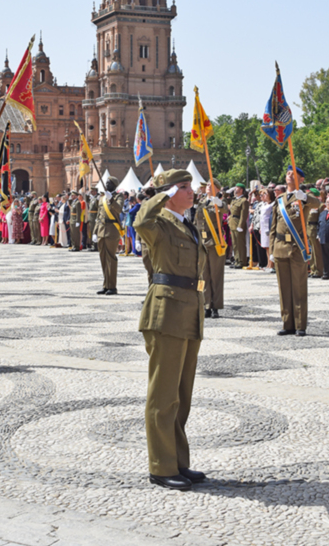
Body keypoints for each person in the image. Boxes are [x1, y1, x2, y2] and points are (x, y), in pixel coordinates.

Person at [134, 169, 207, 491]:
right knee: (163, 396)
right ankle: (161, 466)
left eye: (191, 186)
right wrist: (159, 193)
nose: (191, 191)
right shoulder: (159, 224)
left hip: (188, 311)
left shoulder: (186, 223)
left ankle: (178, 461)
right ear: (167, 193)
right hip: (165, 313)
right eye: (184, 187)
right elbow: (139, 222)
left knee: (181, 396)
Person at [269, 166, 320, 336]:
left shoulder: (303, 198)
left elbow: (317, 203)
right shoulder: (280, 199)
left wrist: (304, 197)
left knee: (298, 287)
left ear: (302, 179)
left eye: (294, 174)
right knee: (284, 288)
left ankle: (300, 325)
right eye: (288, 173)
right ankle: (287, 323)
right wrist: (271, 249)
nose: (289, 175)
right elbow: (273, 227)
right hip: (280, 246)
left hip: (297, 248)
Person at [195, 179, 227, 318]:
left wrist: (217, 201)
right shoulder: (201, 201)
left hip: (214, 242)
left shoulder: (218, 202)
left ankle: (216, 306)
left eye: (210, 185)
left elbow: (225, 208)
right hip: (201, 242)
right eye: (207, 185)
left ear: (218, 189)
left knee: (216, 276)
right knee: (203, 276)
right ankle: (206, 304)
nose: (207, 187)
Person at [94, 177, 124, 295]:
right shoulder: (101, 198)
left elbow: (119, 209)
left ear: (114, 185)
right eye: (106, 182)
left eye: (109, 183)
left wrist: (111, 199)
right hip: (101, 230)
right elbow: (98, 216)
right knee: (103, 259)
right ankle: (106, 285)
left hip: (112, 230)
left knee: (111, 258)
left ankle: (112, 286)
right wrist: (95, 232)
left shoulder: (118, 196)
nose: (106, 184)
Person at [228, 183, 249, 268]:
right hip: (232, 223)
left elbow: (244, 215)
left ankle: (242, 261)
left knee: (240, 243)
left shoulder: (244, 201)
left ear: (241, 190)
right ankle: (236, 260)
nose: (235, 190)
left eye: (237, 188)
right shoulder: (234, 200)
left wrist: (240, 225)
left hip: (238, 223)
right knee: (235, 243)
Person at [306, 188, 324, 278]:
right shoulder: (307, 206)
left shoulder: (320, 205)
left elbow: (321, 220)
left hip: (315, 229)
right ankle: (313, 270)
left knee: (317, 251)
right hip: (308, 229)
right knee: (311, 251)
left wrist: (319, 232)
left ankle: (319, 270)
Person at [258, 187, 275, 270]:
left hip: (269, 226)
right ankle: (268, 263)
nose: (263, 195)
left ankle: (271, 264)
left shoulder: (273, 204)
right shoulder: (265, 204)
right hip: (263, 226)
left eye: (265, 194)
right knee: (266, 246)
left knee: (270, 246)